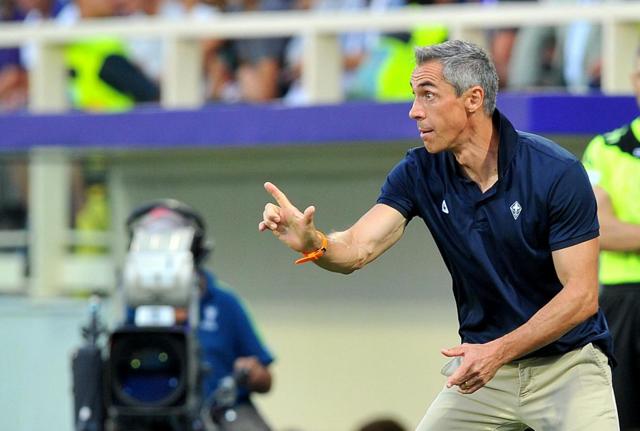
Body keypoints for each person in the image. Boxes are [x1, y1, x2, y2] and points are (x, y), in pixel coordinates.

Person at [259, 40, 618, 430]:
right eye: (415, 96)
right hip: (483, 372)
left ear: (473, 99)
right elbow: (357, 248)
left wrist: (497, 351)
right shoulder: (419, 171)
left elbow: (581, 297)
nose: (414, 111)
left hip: (566, 366)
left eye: (428, 95)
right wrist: (315, 243)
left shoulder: (555, 172)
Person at [127, 199, 275, 431]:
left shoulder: (225, 304)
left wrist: (252, 373)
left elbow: (265, 379)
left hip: (223, 411)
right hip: (153, 411)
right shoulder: (136, 307)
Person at [581, 49, 640, 431]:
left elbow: (617, 229)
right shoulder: (604, 148)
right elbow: (599, 229)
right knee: (621, 416)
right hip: (621, 302)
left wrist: (627, 230)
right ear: (634, 81)